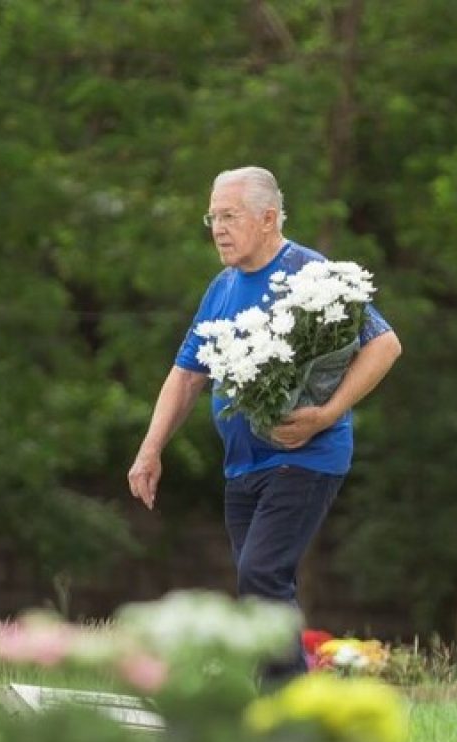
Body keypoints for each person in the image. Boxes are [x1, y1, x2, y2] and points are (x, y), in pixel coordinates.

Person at [127, 166, 402, 676]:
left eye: (229, 216)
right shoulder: (222, 287)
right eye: (212, 217)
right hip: (242, 466)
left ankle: (285, 708)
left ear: (269, 217)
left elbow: (385, 344)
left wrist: (325, 414)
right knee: (260, 595)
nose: (217, 228)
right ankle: (282, 706)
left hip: (306, 457)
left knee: (262, 574)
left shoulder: (310, 273)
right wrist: (151, 449)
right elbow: (187, 375)